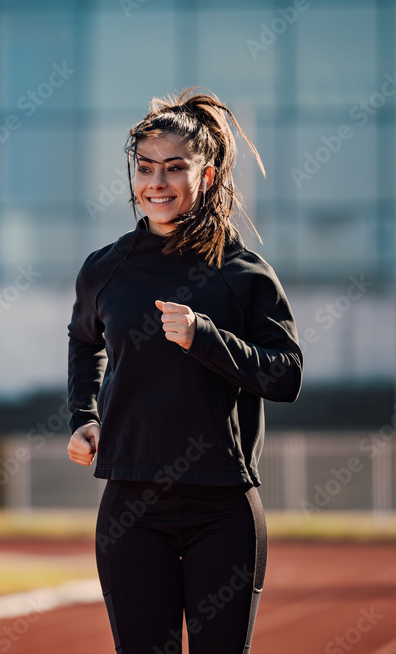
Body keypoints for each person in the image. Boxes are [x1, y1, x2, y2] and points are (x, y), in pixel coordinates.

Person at [66, 88, 303, 653]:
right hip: (130, 507)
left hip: (222, 507)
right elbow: (82, 341)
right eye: (145, 168)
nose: (157, 183)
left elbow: (287, 375)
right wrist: (83, 415)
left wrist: (206, 338)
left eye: (175, 168)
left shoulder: (243, 273)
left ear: (209, 174)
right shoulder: (105, 269)